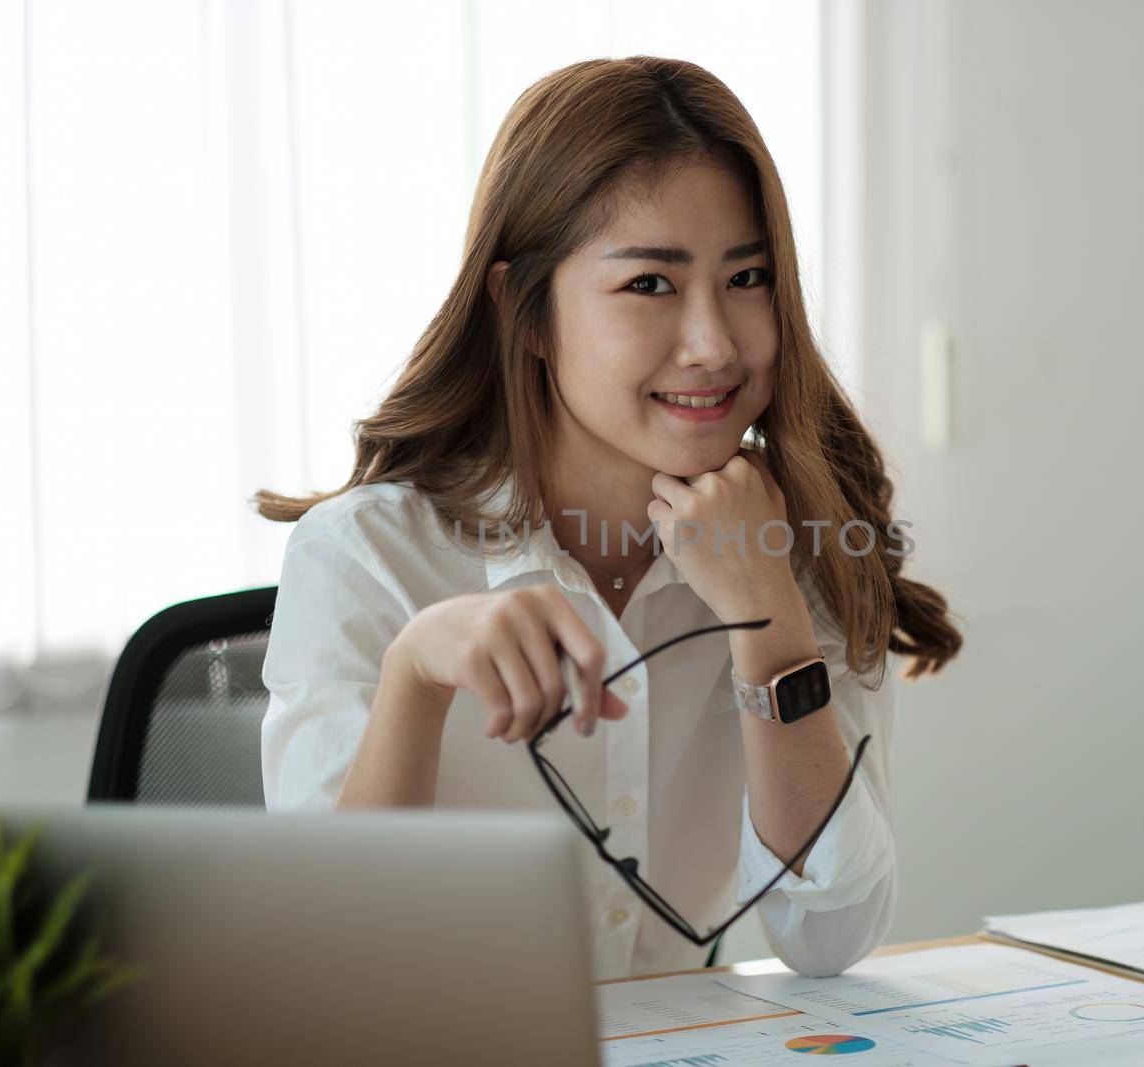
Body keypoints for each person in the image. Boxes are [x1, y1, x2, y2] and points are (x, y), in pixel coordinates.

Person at [254, 55, 961, 982]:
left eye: (747, 278)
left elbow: (827, 935)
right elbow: (334, 970)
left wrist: (771, 623)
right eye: (650, 285)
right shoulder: (363, 557)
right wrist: (416, 674)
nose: (713, 342)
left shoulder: (798, 542)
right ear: (526, 310)